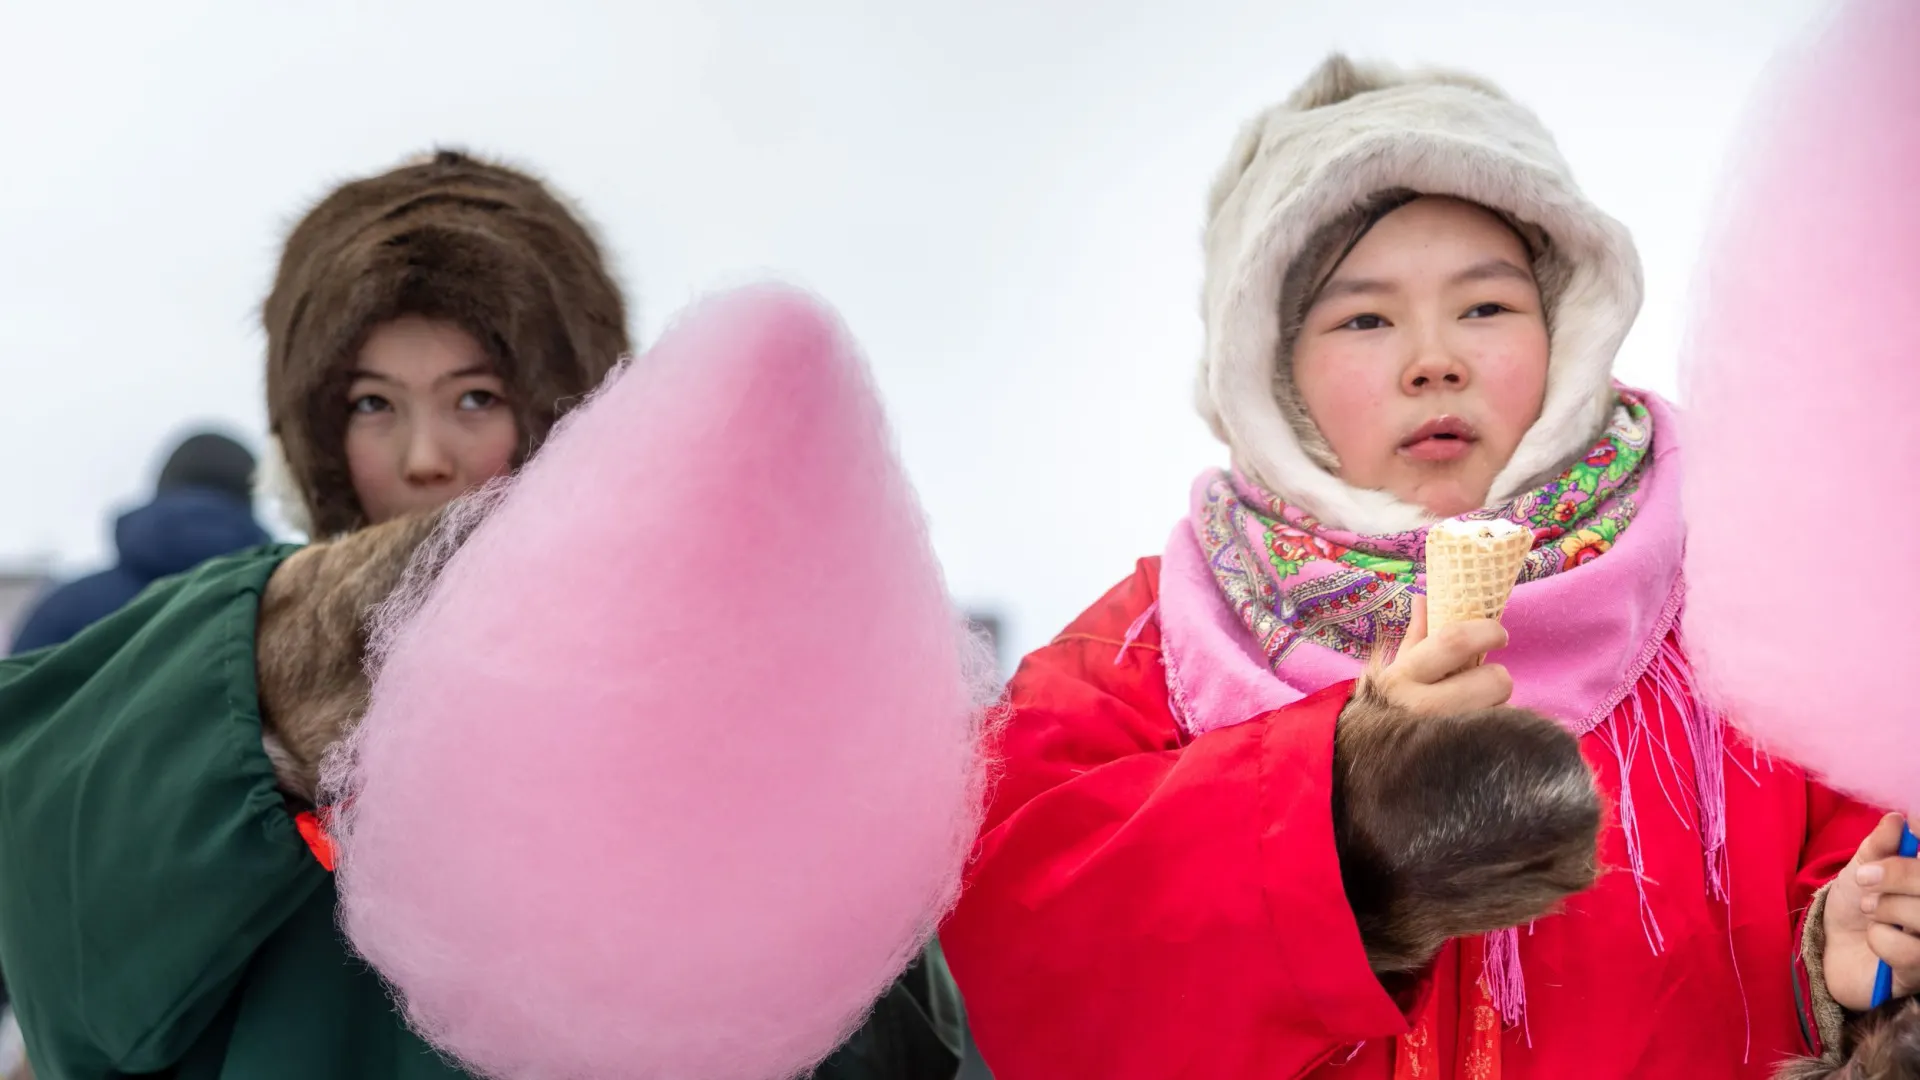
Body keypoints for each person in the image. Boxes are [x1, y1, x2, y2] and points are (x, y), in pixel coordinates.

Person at [939, 55, 1917, 1078]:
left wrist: (1846, 964)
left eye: (1486, 308)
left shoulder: (1746, 581)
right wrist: (1346, 817)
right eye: (1364, 318)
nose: (1433, 358)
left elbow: (1863, 828)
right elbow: (1019, 954)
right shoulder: (1148, 647)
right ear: (1274, 372)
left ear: (1564, 327)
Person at [0, 149, 968, 1080]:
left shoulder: (713, 691)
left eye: (475, 397)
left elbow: (877, 1023)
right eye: (374, 404)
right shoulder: (216, 649)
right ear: (317, 434)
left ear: (569, 411)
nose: (426, 456)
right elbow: (66, 944)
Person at [9, 431, 269, 653]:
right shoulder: (277, 608)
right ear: (252, 498)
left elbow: (14, 705)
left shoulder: (63, 609)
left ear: (161, 490)